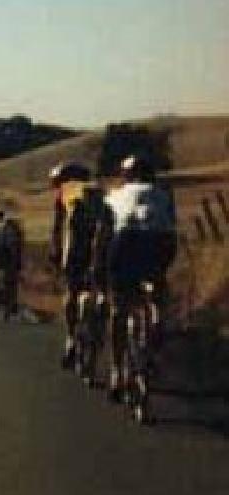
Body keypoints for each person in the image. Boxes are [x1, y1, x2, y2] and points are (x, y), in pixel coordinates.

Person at [102, 154, 177, 402]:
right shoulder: (164, 194)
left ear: (126, 175)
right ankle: (156, 330)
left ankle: (117, 370)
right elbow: (171, 227)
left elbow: (104, 231)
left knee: (119, 309)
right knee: (157, 291)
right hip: (160, 244)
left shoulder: (115, 194)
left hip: (126, 243)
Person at [48, 161, 106, 369]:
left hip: (76, 248)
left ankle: (71, 338)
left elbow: (58, 227)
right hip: (103, 244)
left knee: (71, 291)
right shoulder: (99, 191)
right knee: (103, 289)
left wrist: (54, 253)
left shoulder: (65, 192)